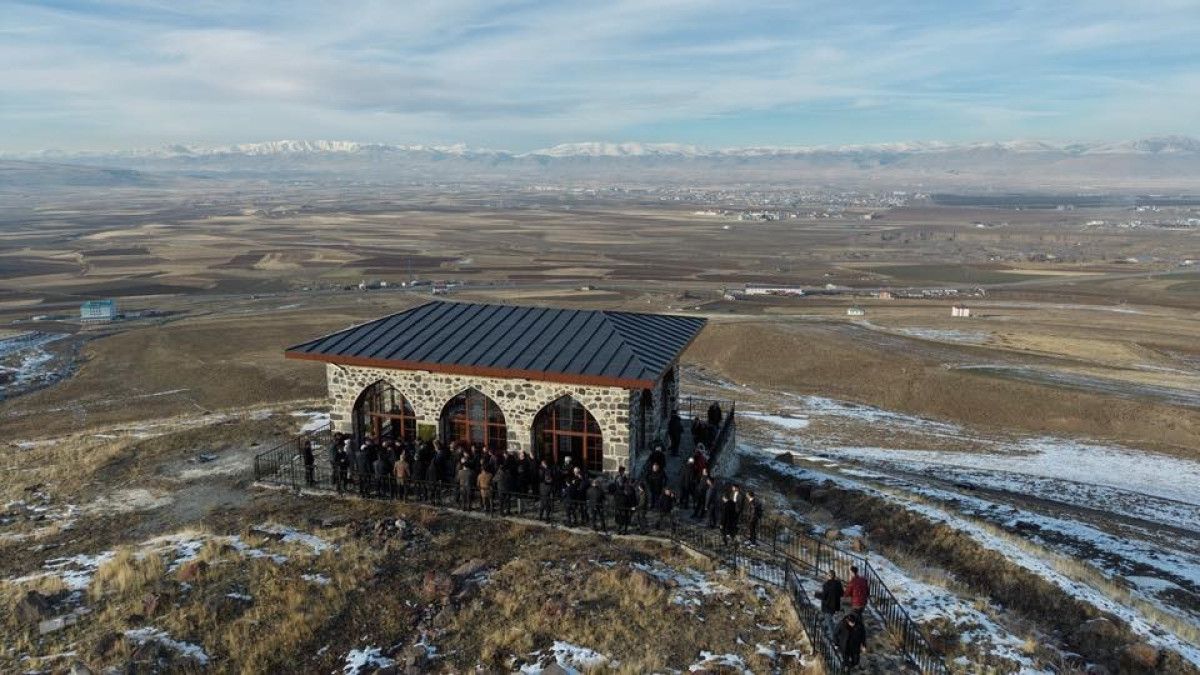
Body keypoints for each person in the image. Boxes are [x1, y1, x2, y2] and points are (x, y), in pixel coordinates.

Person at [818, 569, 844, 638]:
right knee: (826, 620)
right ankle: (824, 634)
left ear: (829, 576)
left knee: (829, 622)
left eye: (827, 575)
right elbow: (842, 594)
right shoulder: (838, 584)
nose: (826, 576)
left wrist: (816, 594)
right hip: (835, 606)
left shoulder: (826, 584)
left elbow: (824, 596)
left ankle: (833, 638)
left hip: (827, 606)